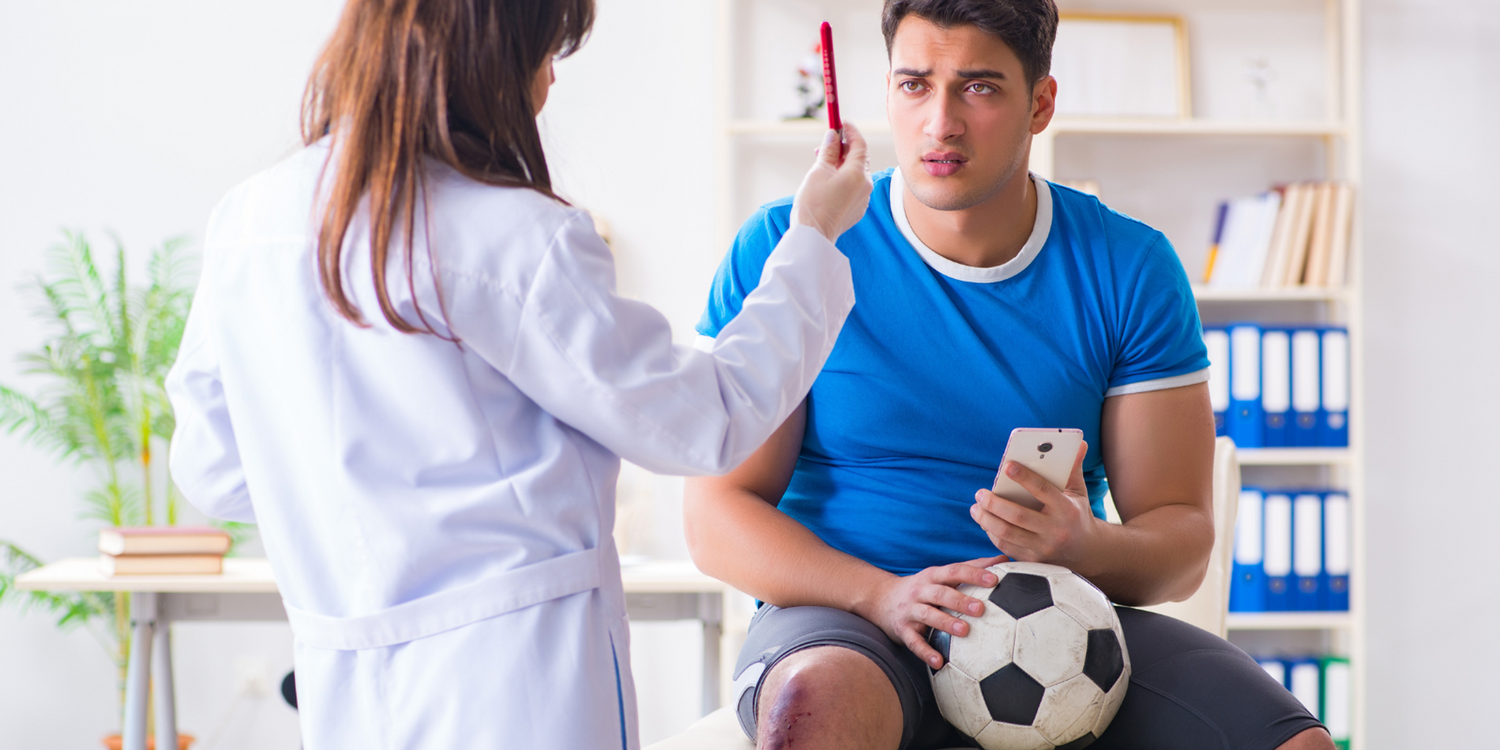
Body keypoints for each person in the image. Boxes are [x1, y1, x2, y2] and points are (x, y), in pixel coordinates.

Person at [163, 1, 872, 748]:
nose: (550, 81)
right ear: (486, 62)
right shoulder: (512, 235)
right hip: (513, 682)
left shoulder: (249, 221)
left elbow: (212, 470)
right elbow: (703, 422)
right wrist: (814, 235)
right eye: (544, 54)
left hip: (347, 688)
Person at [685, 1, 1334, 749]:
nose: (940, 122)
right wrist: (884, 594)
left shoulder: (1128, 266)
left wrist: (1081, 546)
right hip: (845, 616)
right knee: (821, 706)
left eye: (980, 88)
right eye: (915, 85)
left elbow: (1181, 538)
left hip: (1059, 621)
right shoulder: (792, 244)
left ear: (1041, 104)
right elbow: (716, 515)